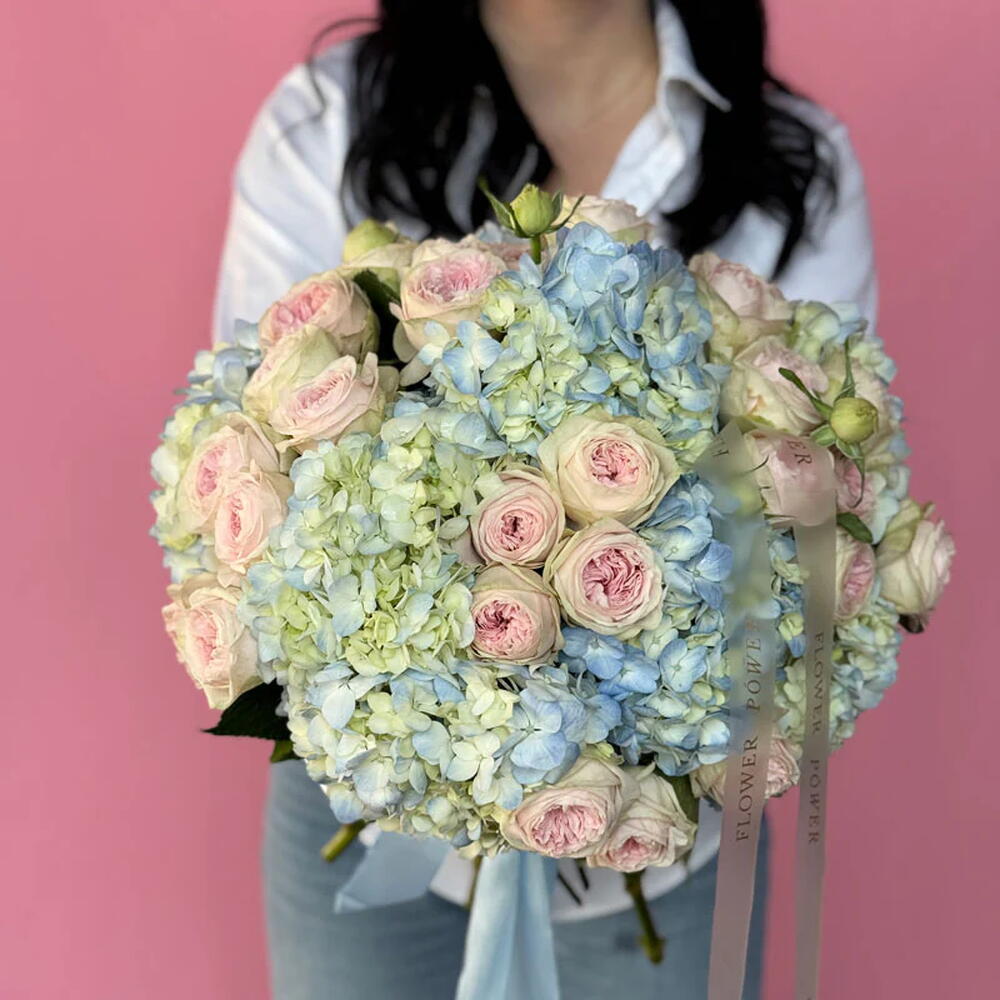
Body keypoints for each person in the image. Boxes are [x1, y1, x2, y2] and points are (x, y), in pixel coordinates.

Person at [213, 2, 877, 997]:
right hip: (368, 818)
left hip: (662, 849)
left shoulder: (793, 164)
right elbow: (252, 452)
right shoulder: (325, 123)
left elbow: (818, 508)